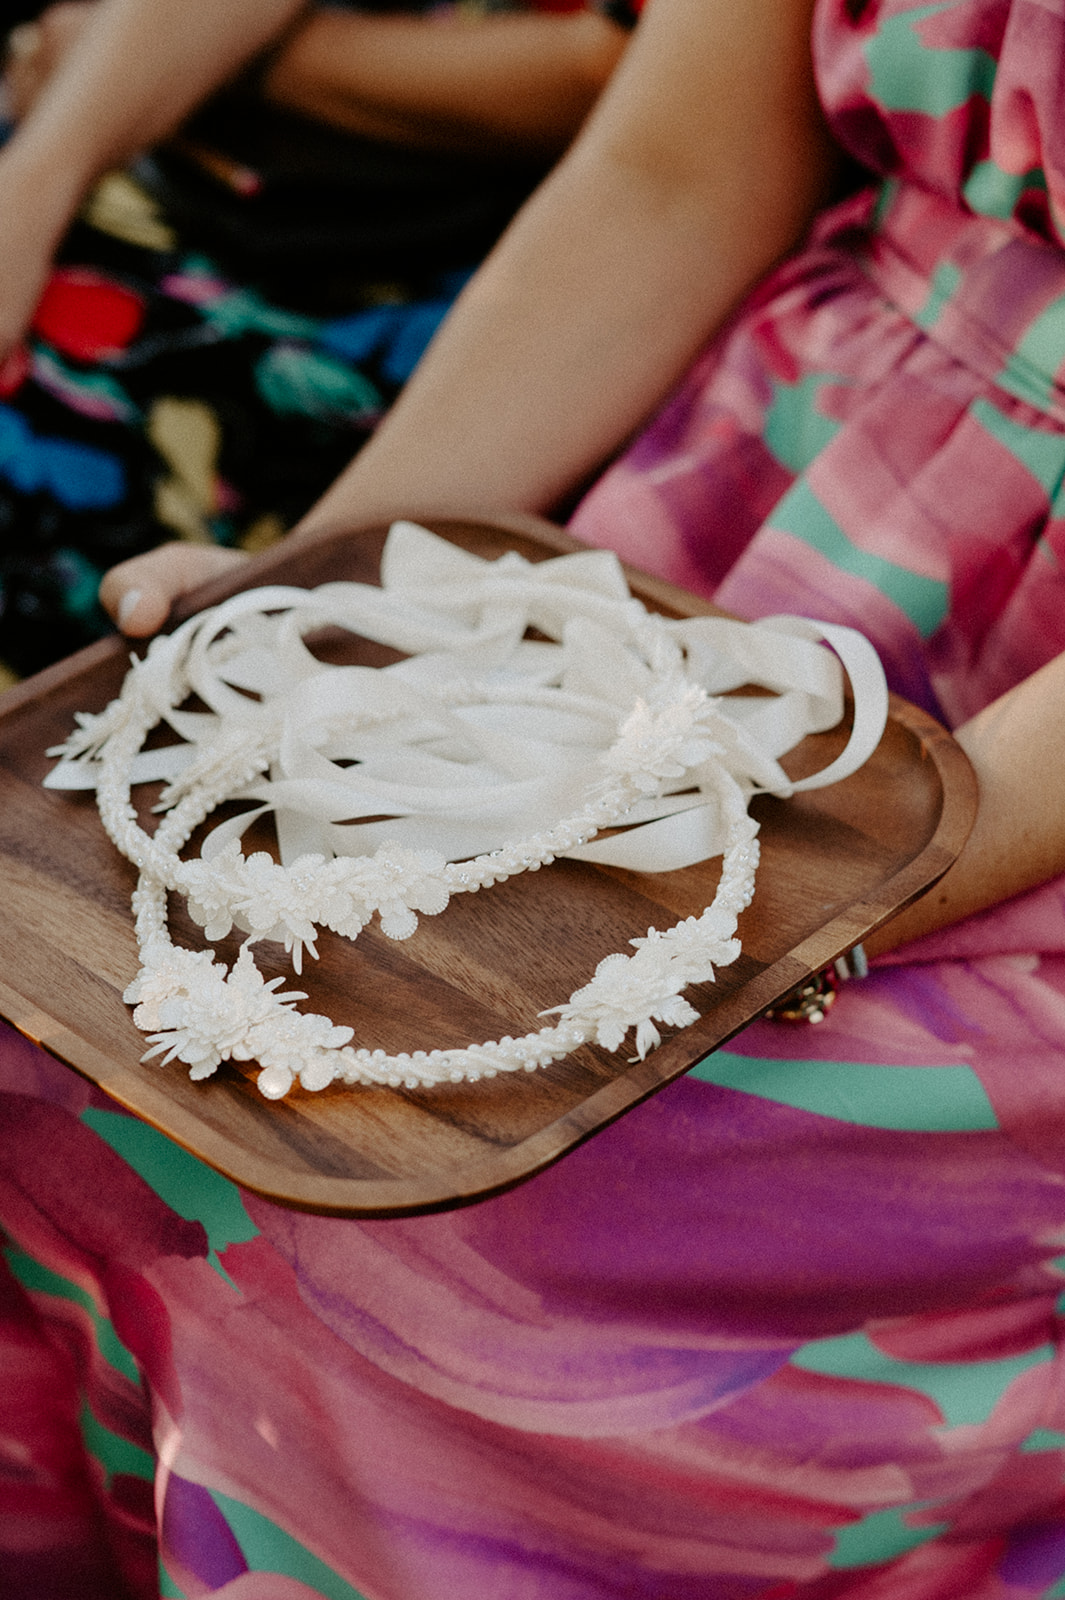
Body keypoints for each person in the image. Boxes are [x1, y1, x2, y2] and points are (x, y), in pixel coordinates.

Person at [6, 0, 1065, 1594]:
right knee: (69, 1004)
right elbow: (667, 169)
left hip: (1013, 758)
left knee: (431, 1222)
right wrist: (325, 594)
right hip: (719, 545)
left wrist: (854, 874)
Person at [0, 0, 632, 679]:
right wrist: (31, 189)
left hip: (447, 254)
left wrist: (215, 56)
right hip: (176, 141)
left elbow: (618, 93)